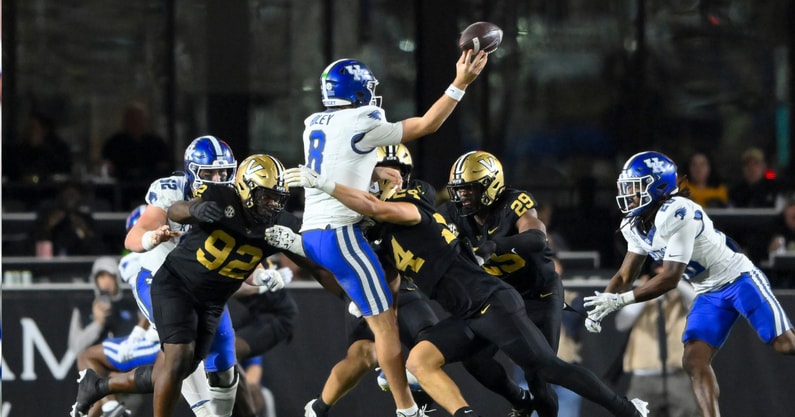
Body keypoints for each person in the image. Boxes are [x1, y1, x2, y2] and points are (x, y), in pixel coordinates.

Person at [271, 165, 650, 417]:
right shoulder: (387, 237)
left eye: (377, 191)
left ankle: (629, 410)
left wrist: (323, 183)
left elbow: (371, 205)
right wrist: (294, 241)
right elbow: (349, 261)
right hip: (470, 311)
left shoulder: (411, 211)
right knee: (419, 360)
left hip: (493, 302)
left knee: (545, 368)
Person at [293, 49, 488, 417]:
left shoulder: (313, 122)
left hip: (312, 233)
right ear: (356, 92)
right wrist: (460, 83)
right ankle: (406, 408)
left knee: (376, 320)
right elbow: (427, 124)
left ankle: (333, 397)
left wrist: (372, 172)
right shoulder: (365, 119)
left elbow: (340, 160)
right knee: (386, 328)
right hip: (341, 236)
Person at [583, 150, 795, 417]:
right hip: (707, 291)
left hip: (738, 278)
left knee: (786, 345)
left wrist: (622, 300)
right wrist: (604, 302)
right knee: (694, 361)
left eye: (635, 187)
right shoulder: (634, 223)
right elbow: (625, 276)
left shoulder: (679, 211)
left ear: (658, 186)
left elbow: (670, 277)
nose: (629, 194)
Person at [71, 135, 252, 417]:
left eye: (223, 172)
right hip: (160, 280)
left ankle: (101, 386)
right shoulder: (170, 191)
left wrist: (260, 275)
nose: (217, 179)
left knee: (222, 359)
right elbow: (134, 236)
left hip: (203, 286)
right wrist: (151, 237)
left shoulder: (234, 200)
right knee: (181, 357)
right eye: (209, 173)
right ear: (192, 171)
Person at [147, 153, 339, 417]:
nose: (272, 204)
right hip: (177, 284)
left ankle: (105, 384)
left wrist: (350, 297)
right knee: (179, 358)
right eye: (266, 196)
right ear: (246, 188)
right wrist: (195, 209)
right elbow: (174, 210)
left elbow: (316, 266)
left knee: (184, 367)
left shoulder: (279, 224)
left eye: (277, 198)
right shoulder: (221, 197)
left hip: (211, 303)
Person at [438, 150, 564, 417]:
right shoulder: (452, 214)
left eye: (469, 189)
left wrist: (495, 245)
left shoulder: (514, 202)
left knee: (538, 374)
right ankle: (519, 401)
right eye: (459, 190)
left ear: (491, 184)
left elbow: (536, 238)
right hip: (500, 297)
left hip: (538, 295)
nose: (462, 196)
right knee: (473, 359)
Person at [614, 262, 699, 417]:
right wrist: (647, 290)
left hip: (677, 375)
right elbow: (622, 323)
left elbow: (698, 302)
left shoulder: (680, 300)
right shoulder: (638, 300)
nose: (661, 279)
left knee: (689, 412)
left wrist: (675, 281)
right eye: (658, 276)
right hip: (644, 377)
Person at [68, 256, 140, 356]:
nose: (106, 281)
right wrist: (98, 323)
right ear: (95, 280)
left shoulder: (133, 305)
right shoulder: (83, 307)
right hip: (95, 366)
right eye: (102, 276)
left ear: (117, 278)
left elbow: (144, 341)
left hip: (127, 365)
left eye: (110, 276)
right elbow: (75, 348)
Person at [101, 102, 172, 184]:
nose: (135, 122)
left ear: (145, 121)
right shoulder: (114, 143)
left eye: (139, 119)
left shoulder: (157, 143)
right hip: (120, 190)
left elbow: (164, 168)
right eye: (132, 119)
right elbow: (106, 167)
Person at [33, 182, 108, 256]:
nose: (70, 198)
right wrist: (47, 227)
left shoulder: (87, 220)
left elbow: (99, 253)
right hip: (50, 265)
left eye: (74, 195)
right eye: (67, 195)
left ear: (80, 198)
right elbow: (32, 249)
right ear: (60, 197)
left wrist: (85, 232)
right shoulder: (47, 216)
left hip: (79, 265)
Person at [3, 111, 73, 183]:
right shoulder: (18, 149)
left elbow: (62, 170)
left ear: (45, 129)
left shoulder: (58, 148)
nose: (30, 131)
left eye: (33, 128)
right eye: (29, 128)